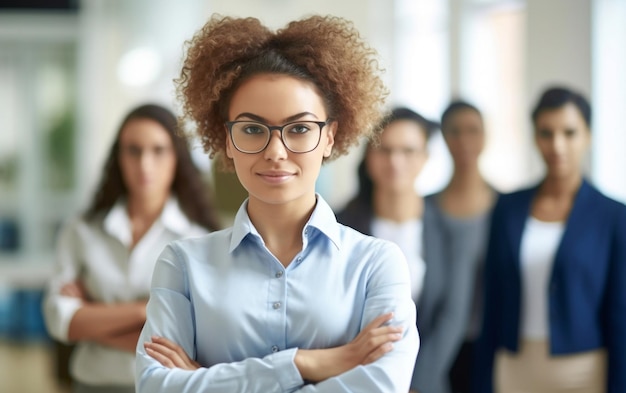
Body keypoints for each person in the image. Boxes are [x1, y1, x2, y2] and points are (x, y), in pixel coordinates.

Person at [134, 14, 419, 393]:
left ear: (330, 137)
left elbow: (382, 386)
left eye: (299, 128)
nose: (275, 151)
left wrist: (204, 379)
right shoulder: (182, 265)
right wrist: (308, 363)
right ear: (228, 140)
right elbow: (155, 386)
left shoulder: (377, 264)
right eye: (252, 129)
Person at [43, 103, 221, 393]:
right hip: (92, 385)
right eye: (133, 150)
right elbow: (58, 319)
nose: (145, 164)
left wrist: (91, 317)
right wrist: (146, 311)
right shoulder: (82, 230)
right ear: (118, 157)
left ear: (177, 157)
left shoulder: (200, 241)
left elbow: (192, 341)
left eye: (158, 150)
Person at [472, 86, 626, 393]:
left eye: (570, 133)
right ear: (534, 137)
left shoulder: (613, 215)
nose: (557, 145)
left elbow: (620, 312)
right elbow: (492, 299)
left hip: (583, 369)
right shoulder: (507, 208)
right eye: (546, 133)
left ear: (588, 136)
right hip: (514, 364)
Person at [411, 100, 496, 393]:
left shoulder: (504, 207)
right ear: (444, 138)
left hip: (490, 347)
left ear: (486, 136)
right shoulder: (426, 208)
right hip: (432, 344)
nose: (464, 141)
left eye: (473, 130)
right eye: (455, 131)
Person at [336, 106, 439, 304]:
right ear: (368, 156)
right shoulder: (338, 227)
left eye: (408, 151)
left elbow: (451, 312)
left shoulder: (445, 225)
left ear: (425, 157)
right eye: (384, 150)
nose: (395, 161)